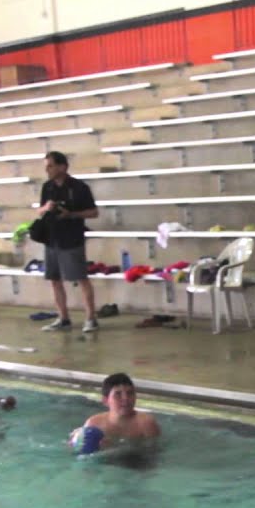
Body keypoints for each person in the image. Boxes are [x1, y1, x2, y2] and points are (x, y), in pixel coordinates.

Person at [37, 151, 100, 333]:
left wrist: (71, 214)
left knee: (81, 278)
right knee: (54, 280)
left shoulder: (79, 187)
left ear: (62, 166)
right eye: (46, 166)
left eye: (50, 166)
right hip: (51, 238)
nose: (47, 170)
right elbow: (39, 211)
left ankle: (91, 318)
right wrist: (46, 208)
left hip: (71, 239)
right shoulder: (47, 187)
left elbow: (94, 212)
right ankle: (63, 318)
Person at [71, 373, 161, 459]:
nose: (125, 398)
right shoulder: (94, 424)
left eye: (130, 393)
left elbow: (153, 454)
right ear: (105, 400)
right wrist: (76, 440)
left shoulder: (145, 424)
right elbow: (81, 454)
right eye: (118, 394)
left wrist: (113, 448)